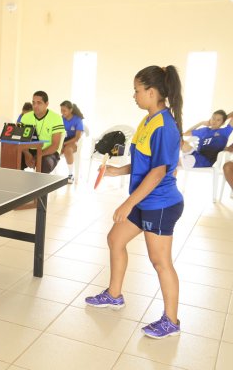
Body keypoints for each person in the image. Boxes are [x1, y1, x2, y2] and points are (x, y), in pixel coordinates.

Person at [85, 65, 185, 339]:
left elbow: (159, 171)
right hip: (146, 200)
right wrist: (119, 170)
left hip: (160, 203)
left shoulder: (165, 126)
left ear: (152, 92)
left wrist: (128, 203)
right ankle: (114, 295)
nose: (134, 95)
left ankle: (171, 321)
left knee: (160, 261)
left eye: (137, 90)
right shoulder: (147, 121)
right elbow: (146, 162)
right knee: (115, 239)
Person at [20, 91, 65, 173]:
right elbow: (21, 139)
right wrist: (26, 153)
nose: (35, 106)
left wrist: (38, 156)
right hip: (29, 150)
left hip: (49, 151)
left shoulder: (56, 118)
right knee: (12, 158)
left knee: (44, 163)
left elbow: (55, 145)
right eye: (33, 103)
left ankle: (39, 185)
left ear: (46, 104)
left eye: (39, 103)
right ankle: (16, 184)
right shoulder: (25, 117)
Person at [60, 100, 85, 183]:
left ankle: (70, 174)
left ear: (70, 110)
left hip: (73, 141)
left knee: (67, 150)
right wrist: (60, 144)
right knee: (55, 149)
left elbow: (77, 137)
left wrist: (64, 144)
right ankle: (50, 173)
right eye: (61, 110)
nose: (62, 112)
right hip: (63, 140)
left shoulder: (78, 120)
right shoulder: (61, 119)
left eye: (64, 110)